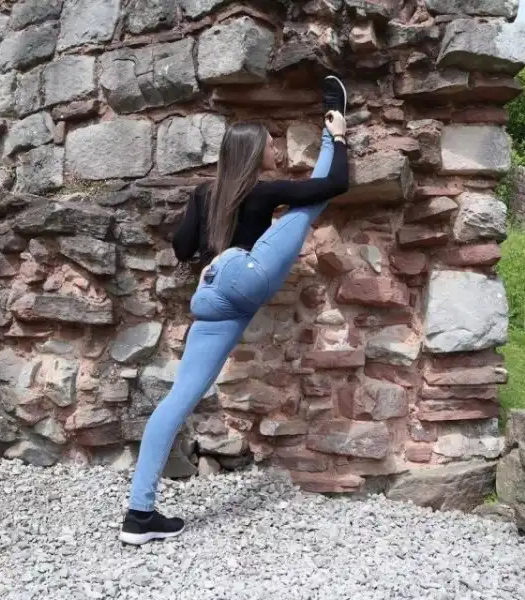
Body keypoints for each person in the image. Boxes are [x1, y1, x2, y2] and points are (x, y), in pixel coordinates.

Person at [120, 76, 349, 546]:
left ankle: (139, 516)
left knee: (177, 401)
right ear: (254, 152)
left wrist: (211, 246)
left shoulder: (205, 194)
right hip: (242, 274)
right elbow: (335, 183)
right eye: (270, 144)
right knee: (307, 207)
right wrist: (340, 138)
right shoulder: (261, 192)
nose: (276, 150)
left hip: (209, 298)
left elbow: (182, 248)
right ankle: (333, 120)